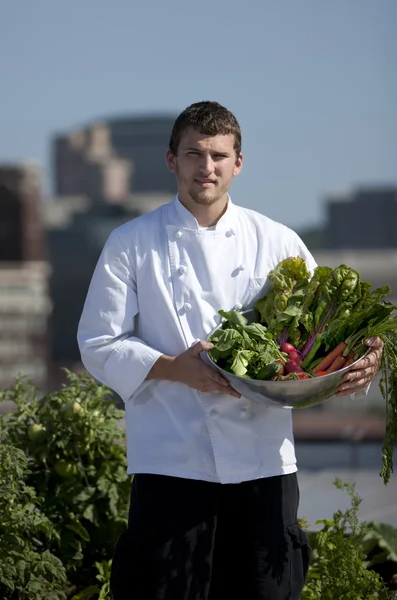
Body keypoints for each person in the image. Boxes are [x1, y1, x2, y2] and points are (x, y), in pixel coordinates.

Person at [77, 101, 383, 600]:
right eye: (194, 153)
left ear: (238, 162)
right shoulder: (130, 243)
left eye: (219, 155)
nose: (207, 167)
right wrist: (174, 369)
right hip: (170, 463)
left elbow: (323, 340)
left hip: (264, 463)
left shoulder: (278, 241)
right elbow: (97, 343)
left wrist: (358, 364)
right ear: (171, 159)